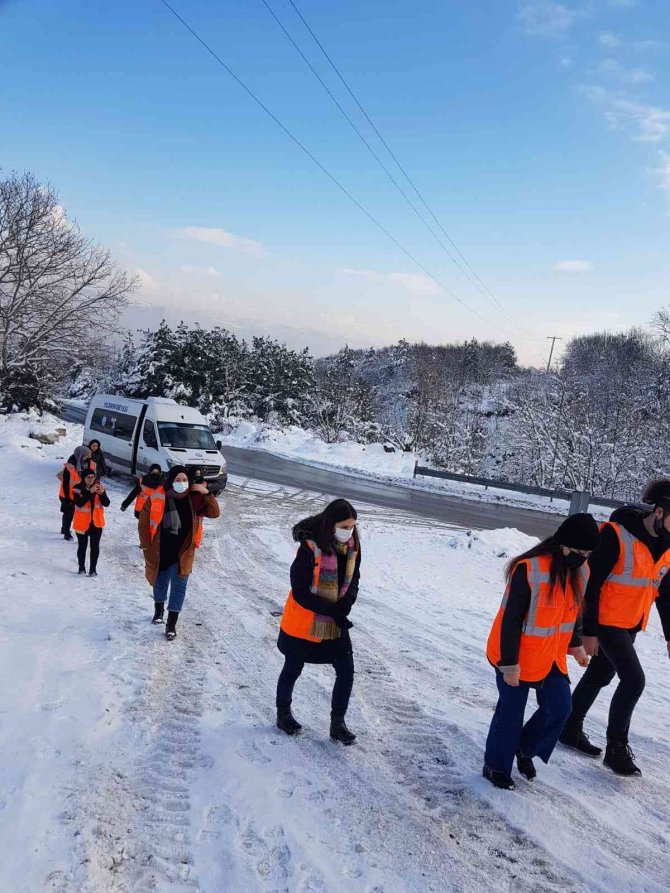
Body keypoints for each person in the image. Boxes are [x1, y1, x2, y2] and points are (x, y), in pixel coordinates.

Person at [559, 481, 670, 776]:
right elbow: (591, 585)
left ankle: (568, 725)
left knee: (601, 673)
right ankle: (616, 748)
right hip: (606, 622)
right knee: (634, 681)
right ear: (659, 512)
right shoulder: (616, 535)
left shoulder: (666, 546)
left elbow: (665, 591)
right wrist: (590, 631)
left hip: (630, 622)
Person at [483, 513, 600, 790]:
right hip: (514, 656)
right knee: (510, 713)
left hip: (550, 656)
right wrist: (509, 664)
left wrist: (576, 645)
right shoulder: (529, 569)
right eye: (581, 552)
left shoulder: (581, 570)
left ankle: (524, 748)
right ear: (564, 545)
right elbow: (511, 620)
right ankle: (495, 767)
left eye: (588, 553)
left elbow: (574, 611)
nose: (584, 558)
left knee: (561, 708)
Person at [276, 499, 361, 745]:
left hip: (334, 621)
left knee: (346, 671)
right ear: (330, 524)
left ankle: (338, 724)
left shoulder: (354, 546)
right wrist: (331, 609)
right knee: (293, 668)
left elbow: (354, 578)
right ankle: (283, 714)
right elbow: (299, 590)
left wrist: (347, 603)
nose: (349, 531)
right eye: (344, 526)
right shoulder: (309, 547)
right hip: (303, 621)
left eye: (353, 526)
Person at [138, 464, 220, 641]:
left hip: (184, 552)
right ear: (170, 481)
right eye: (177, 480)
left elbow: (214, 513)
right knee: (159, 585)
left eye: (184, 480)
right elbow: (144, 523)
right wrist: (146, 546)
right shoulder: (158, 497)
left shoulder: (194, 498)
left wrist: (207, 493)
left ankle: (171, 624)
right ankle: (159, 609)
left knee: (179, 588)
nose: (182, 483)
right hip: (161, 550)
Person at [72, 467, 110, 577]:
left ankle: (93, 569)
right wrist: (89, 492)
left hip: (96, 523)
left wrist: (102, 494)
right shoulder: (77, 489)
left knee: (95, 547)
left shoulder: (99, 487)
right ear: (83, 478)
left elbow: (107, 503)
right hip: (82, 523)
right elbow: (79, 503)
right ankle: (81, 567)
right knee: (82, 546)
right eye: (88, 477)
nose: (91, 479)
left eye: (93, 477)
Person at [57, 452, 81, 540]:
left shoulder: (77, 467)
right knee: (69, 514)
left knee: (67, 513)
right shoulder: (70, 468)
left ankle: (64, 529)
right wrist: (68, 498)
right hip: (67, 495)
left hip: (69, 495)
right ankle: (66, 533)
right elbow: (62, 479)